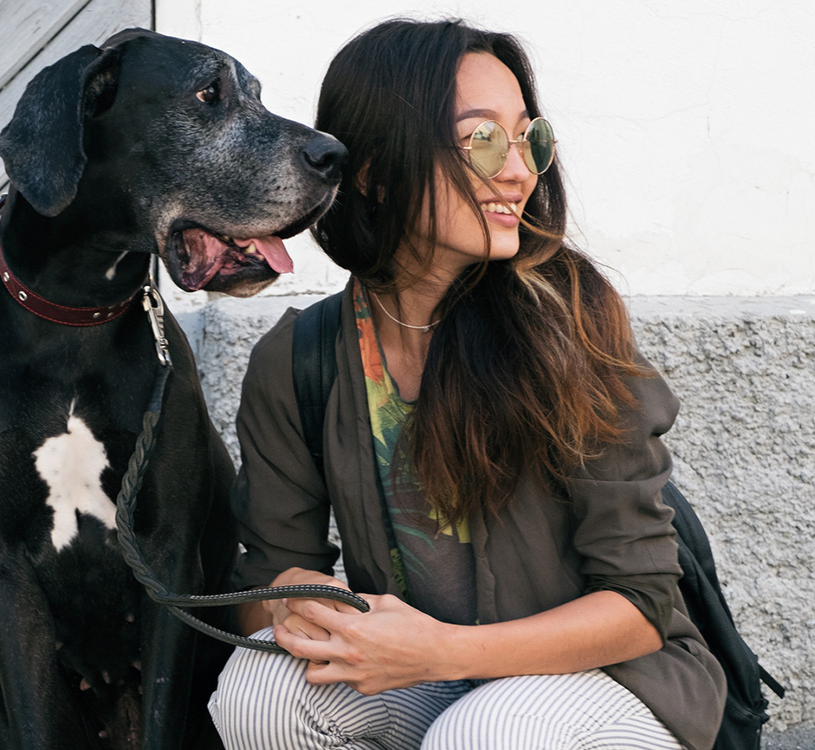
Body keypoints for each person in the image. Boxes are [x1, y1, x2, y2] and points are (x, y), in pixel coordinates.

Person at [207, 18, 726, 750]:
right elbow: (264, 580)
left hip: (611, 687)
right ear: (375, 170)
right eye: (482, 139)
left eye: (528, 139)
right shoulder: (301, 357)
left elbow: (640, 604)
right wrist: (297, 604)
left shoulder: (569, 322)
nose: (519, 170)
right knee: (260, 697)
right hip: (431, 682)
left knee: (487, 731)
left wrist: (440, 652)